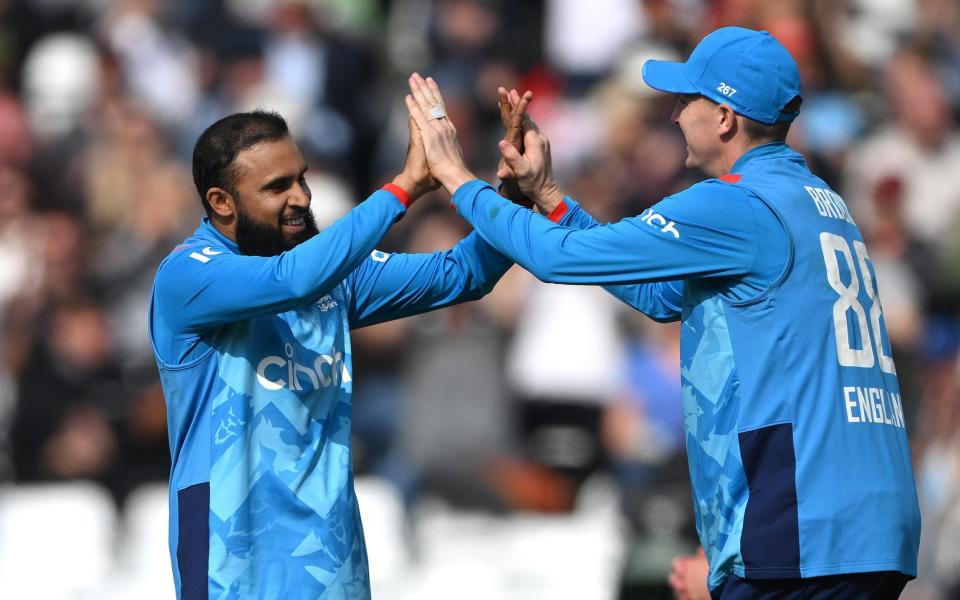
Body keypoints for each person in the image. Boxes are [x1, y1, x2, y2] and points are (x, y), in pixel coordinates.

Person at [405, 26, 921, 599]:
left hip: (801, 527)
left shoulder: (736, 203)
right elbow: (659, 296)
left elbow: (555, 261)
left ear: (724, 117)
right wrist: (552, 199)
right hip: (869, 526)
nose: (675, 115)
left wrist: (455, 177)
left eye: (687, 100)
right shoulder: (820, 203)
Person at [148, 104, 528, 598]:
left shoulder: (332, 273)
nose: (301, 198)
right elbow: (294, 280)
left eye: (301, 178)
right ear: (222, 202)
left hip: (330, 559)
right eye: (276, 187)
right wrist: (403, 188)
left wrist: (513, 196)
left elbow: (463, 273)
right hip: (231, 560)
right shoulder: (189, 275)